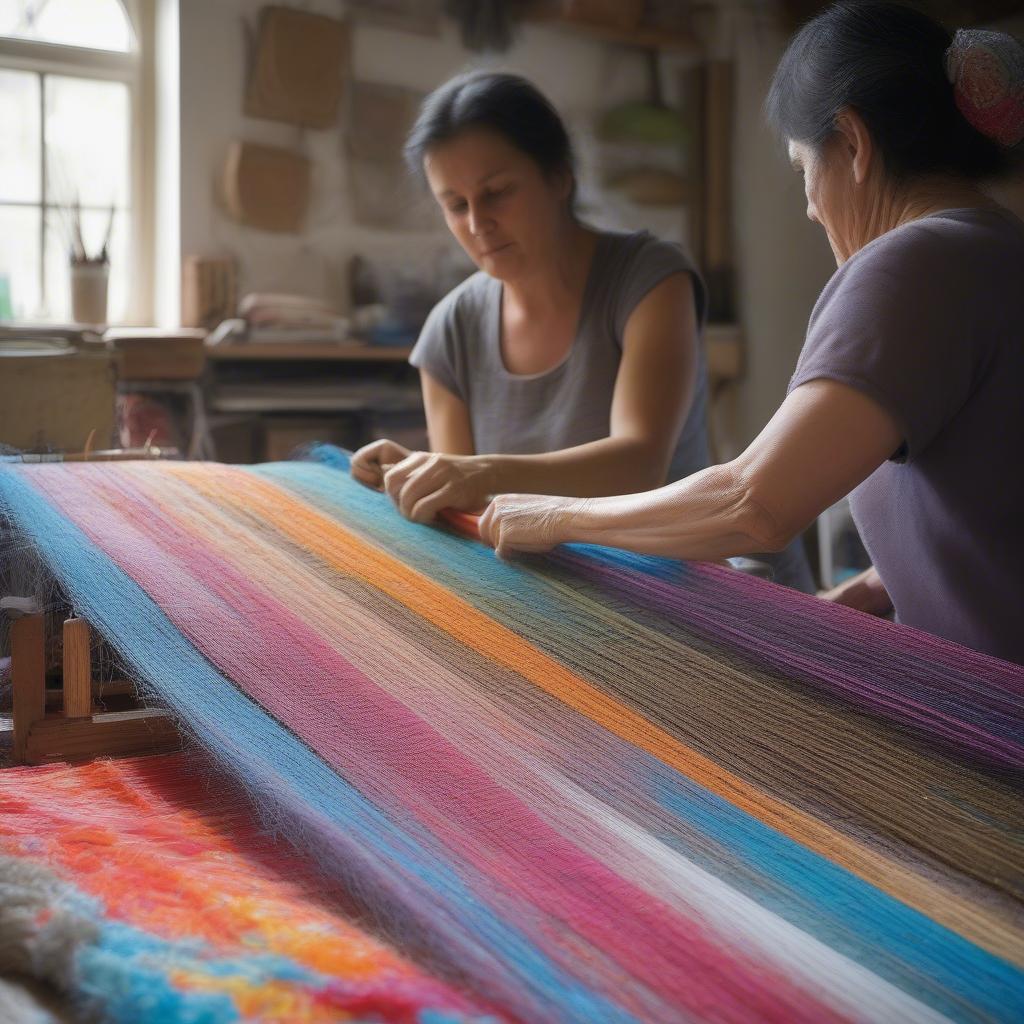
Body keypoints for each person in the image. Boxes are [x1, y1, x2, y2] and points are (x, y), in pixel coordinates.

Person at [479, 2, 1024, 665]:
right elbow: (990, 505)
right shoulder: (996, 249)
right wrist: (876, 589)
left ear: (852, 144)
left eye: (803, 171)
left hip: (994, 731)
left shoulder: (915, 262)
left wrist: (556, 518)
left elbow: (752, 505)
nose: (808, 205)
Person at [352, 71, 813, 591]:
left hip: (684, 583)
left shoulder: (649, 279)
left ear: (559, 177)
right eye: (456, 205)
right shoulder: (450, 330)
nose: (478, 223)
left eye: (497, 193)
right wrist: (421, 477)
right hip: (561, 594)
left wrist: (476, 472)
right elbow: (468, 512)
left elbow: (638, 463)